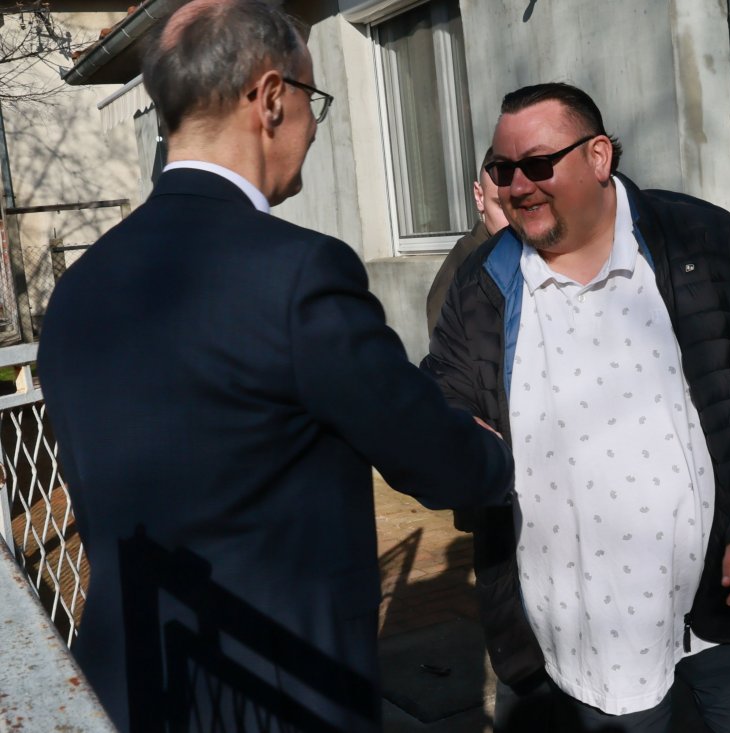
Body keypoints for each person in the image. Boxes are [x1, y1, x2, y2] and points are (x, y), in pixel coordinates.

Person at [35, 2, 513, 731]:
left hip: (128, 686)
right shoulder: (298, 273)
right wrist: (498, 453)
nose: (315, 126)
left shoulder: (77, 289)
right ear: (269, 99)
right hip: (275, 692)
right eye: (312, 98)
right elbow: (428, 451)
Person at [423, 82, 730, 733]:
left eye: (538, 164)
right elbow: (443, 405)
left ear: (598, 156)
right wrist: (447, 440)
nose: (517, 186)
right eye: (502, 170)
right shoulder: (480, 287)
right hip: (580, 647)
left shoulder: (700, 241)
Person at [425, 147, 509, 335]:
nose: (514, 218)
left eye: (521, 204)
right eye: (502, 205)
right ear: (479, 197)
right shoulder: (462, 273)